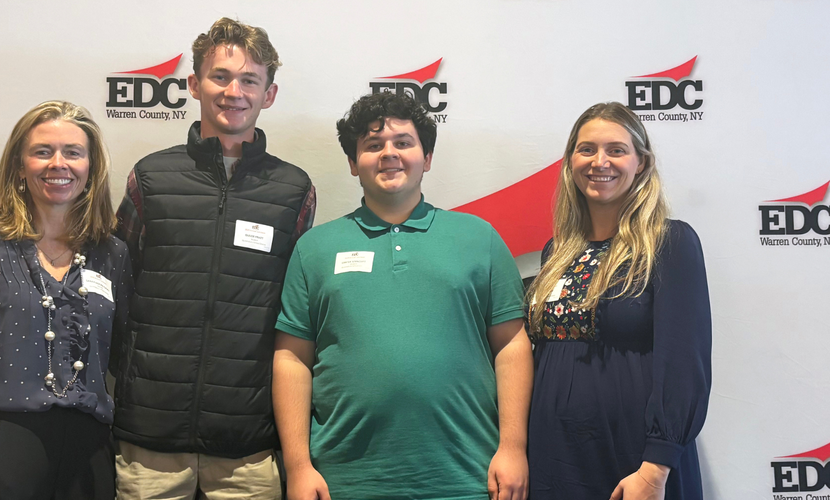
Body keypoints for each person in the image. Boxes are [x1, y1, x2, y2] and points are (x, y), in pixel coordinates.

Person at [273, 91, 533, 500]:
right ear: (353, 163)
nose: (388, 154)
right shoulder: (314, 248)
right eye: (373, 146)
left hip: (467, 477)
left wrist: (513, 448)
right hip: (344, 482)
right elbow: (292, 359)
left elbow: (512, 346)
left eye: (403, 143)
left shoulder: (478, 238)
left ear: (426, 158)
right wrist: (298, 466)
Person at [111, 17, 316, 500]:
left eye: (250, 80)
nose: (233, 91)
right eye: (220, 76)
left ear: (269, 94)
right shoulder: (151, 177)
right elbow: (119, 290)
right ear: (193, 84)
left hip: (247, 443)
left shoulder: (294, 190)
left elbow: (295, 311)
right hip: (150, 438)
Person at [0, 100, 133, 500]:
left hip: (91, 454)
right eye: (42, 152)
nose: (58, 163)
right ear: (19, 166)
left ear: (91, 166)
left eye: (73, 152)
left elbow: (125, 359)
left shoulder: (113, 254)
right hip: (1, 446)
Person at [525, 102, 711, 500]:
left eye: (616, 150)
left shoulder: (669, 243)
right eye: (586, 149)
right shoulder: (555, 252)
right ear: (570, 160)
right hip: (553, 457)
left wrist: (656, 467)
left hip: (632, 460)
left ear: (641, 162)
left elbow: (684, 362)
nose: (599, 161)